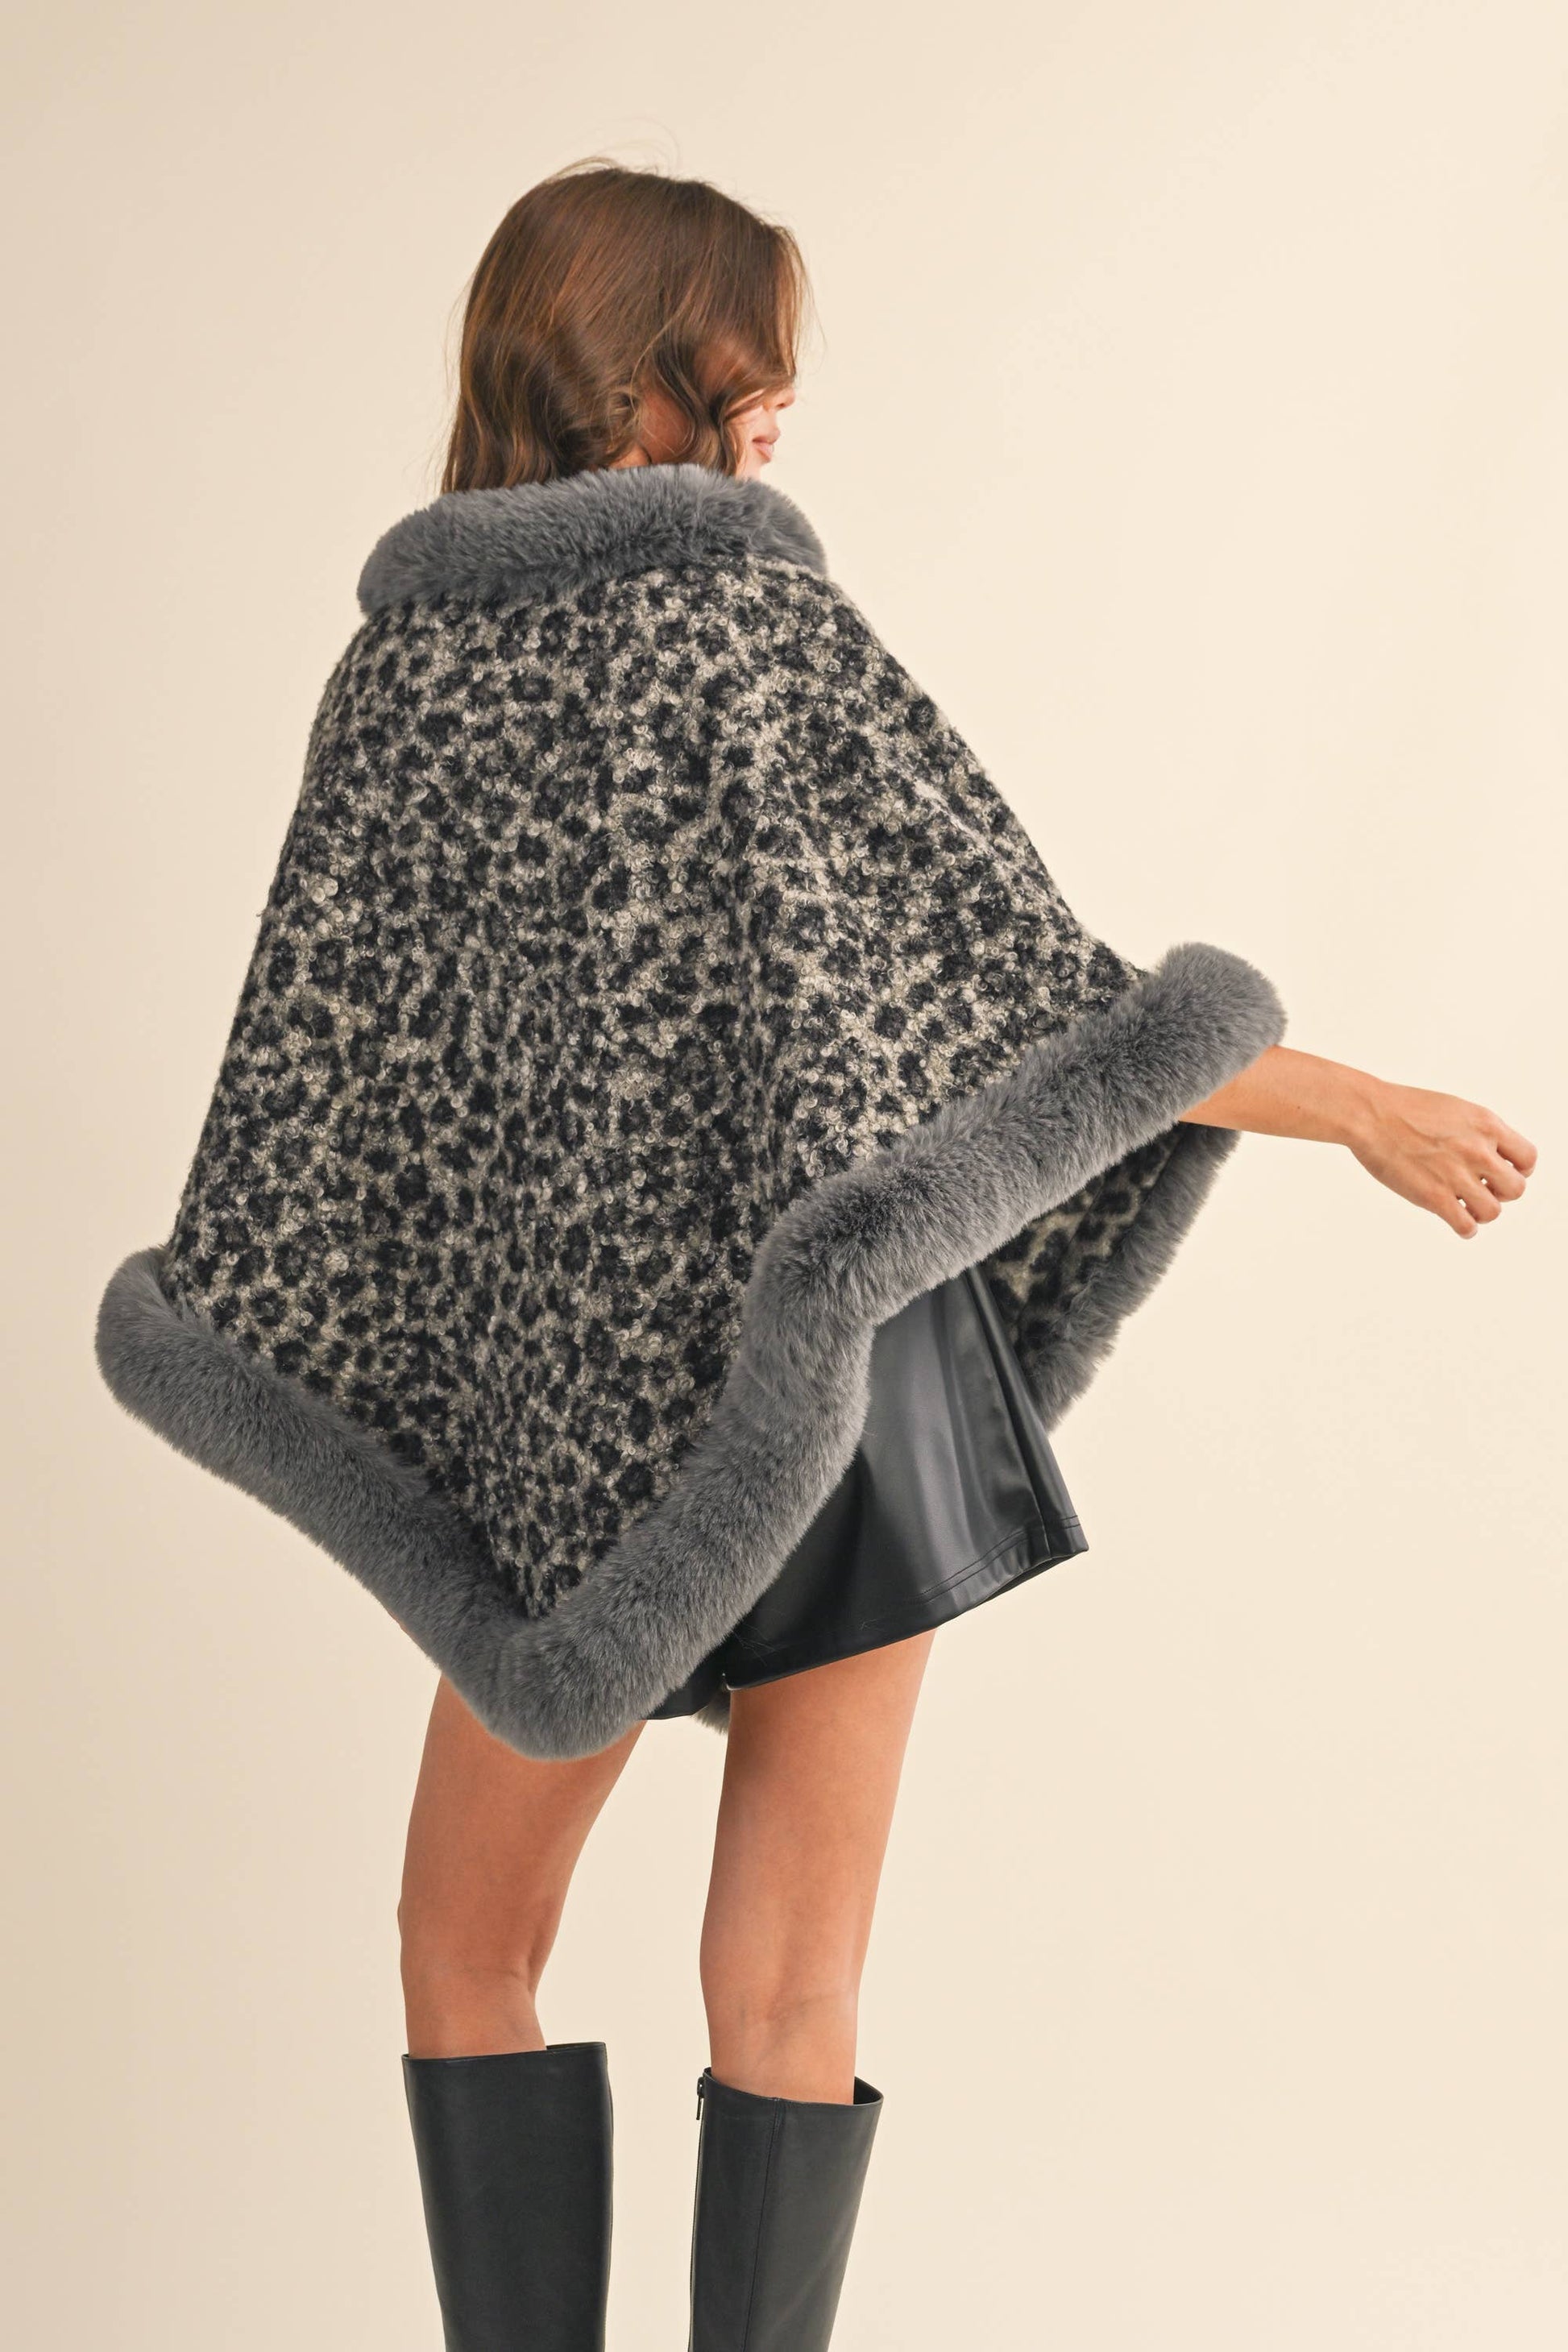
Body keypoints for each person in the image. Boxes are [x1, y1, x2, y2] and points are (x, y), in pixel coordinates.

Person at [95, 163, 1536, 2352]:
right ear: (641, 359)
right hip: (839, 1362)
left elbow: (352, 1082)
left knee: (463, 1946)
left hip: (581, 1379)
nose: (780, 400)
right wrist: (1345, 1102)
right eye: (751, 354)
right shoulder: (750, 624)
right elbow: (1018, 1005)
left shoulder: (396, 673)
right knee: (784, 1982)